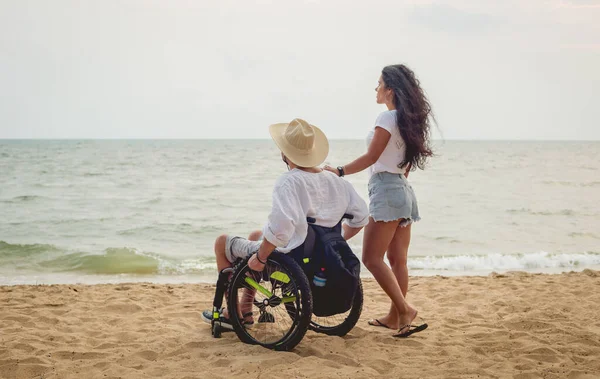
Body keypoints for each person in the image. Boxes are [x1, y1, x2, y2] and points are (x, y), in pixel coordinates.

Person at [201, 118, 369, 329]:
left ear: (285, 153)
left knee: (221, 242)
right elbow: (362, 216)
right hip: (318, 257)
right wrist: (332, 240)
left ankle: (231, 313)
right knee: (256, 235)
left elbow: (280, 230)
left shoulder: (289, 181)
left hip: (291, 256)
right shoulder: (337, 181)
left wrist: (261, 258)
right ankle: (245, 309)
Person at [324, 64, 433, 337]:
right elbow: (405, 165)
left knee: (372, 258)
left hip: (387, 190)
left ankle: (404, 310)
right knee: (398, 260)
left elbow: (371, 157)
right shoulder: (408, 122)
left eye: (379, 84)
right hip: (404, 190)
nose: (376, 88)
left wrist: (339, 171)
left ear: (390, 91)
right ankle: (395, 317)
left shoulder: (386, 119)